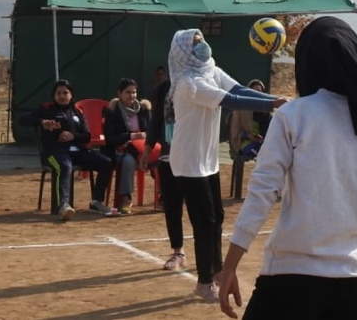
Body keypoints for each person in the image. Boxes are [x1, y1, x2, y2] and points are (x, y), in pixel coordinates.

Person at [218, 16, 357, 320]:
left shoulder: (294, 115)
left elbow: (261, 193)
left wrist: (229, 266)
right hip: (355, 286)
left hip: (290, 283)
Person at [165, 28, 285, 303]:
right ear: (183, 50)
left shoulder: (209, 69)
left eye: (201, 40)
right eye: (195, 43)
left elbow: (238, 88)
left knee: (216, 217)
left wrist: (274, 101)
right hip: (189, 162)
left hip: (207, 160)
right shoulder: (188, 82)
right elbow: (232, 101)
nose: (201, 45)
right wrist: (275, 105)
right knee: (204, 222)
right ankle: (204, 282)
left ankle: (217, 271)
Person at [19, 80, 115, 221]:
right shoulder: (46, 109)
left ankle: (96, 202)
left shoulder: (77, 111)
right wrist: (42, 122)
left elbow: (87, 136)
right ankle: (63, 206)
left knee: (106, 162)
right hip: (54, 153)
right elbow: (23, 120)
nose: (62, 96)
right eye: (58, 93)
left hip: (78, 152)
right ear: (54, 95)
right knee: (64, 166)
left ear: (71, 95)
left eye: (65, 93)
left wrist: (73, 136)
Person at [141, 69, 187, 271]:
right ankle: (178, 252)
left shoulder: (202, 84)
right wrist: (147, 149)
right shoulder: (163, 90)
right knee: (172, 205)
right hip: (169, 154)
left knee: (202, 210)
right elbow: (156, 121)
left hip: (196, 157)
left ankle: (213, 258)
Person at [102, 78, 147, 214]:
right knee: (128, 161)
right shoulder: (111, 112)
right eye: (128, 92)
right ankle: (126, 198)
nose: (131, 96)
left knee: (163, 159)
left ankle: (163, 196)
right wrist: (131, 137)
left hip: (143, 148)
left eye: (134, 92)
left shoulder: (144, 110)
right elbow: (110, 138)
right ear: (119, 94)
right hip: (122, 149)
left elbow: (150, 130)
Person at [229, 79, 272, 159]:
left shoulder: (265, 111)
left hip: (263, 143)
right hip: (245, 143)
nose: (256, 94)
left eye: (259, 91)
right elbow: (235, 132)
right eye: (253, 91)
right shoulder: (241, 109)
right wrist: (248, 136)